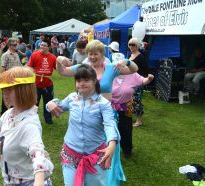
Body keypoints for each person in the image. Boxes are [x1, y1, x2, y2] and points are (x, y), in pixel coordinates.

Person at [56, 40, 138, 185]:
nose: (92, 57)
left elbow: (134, 69)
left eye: (96, 53)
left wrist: (127, 61)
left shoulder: (111, 67)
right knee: (89, 146)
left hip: (107, 112)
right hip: (85, 111)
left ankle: (107, 179)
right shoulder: (84, 68)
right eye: (90, 54)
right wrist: (58, 59)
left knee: (105, 148)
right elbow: (62, 72)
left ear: (102, 53)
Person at [46, 64, 119, 186]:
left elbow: (109, 125)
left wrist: (111, 145)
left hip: (95, 156)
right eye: (78, 80)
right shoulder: (72, 98)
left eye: (86, 80)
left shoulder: (103, 104)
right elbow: (58, 107)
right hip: (70, 155)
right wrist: (50, 104)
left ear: (94, 81)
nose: (81, 83)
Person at [111, 73, 154, 158]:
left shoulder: (132, 74)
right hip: (110, 107)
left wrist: (148, 79)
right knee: (111, 128)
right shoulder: (109, 73)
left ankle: (127, 149)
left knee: (126, 128)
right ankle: (111, 148)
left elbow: (142, 81)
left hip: (126, 107)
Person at [28, 38, 57, 125]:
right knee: (34, 103)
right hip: (36, 84)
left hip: (48, 84)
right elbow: (30, 66)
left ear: (49, 47)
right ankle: (33, 119)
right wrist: (32, 71)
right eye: (41, 45)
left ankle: (48, 119)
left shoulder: (53, 57)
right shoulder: (34, 55)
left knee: (48, 103)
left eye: (44, 45)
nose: (42, 46)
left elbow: (58, 68)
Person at [127, 38, 149, 127]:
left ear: (137, 46)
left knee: (137, 100)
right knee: (130, 100)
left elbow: (145, 70)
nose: (131, 46)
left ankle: (139, 121)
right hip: (129, 80)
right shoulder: (130, 55)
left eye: (133, 45)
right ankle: (130, 116)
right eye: (130, 44)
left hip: (137, 82)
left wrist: (141, 80)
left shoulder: (140, 57)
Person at [0, 38, 22, 114]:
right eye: (14, 44)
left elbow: (20, 67)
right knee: (6, 100)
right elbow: (2, 69)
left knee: (15, 98)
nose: (16, 45)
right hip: (8, 80)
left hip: (16, 81)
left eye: (17, 44)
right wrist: (3, 82)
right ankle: (4, 116)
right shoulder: (5, 55)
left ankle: (13, 114)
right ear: (9, 45)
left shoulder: (17, 54)